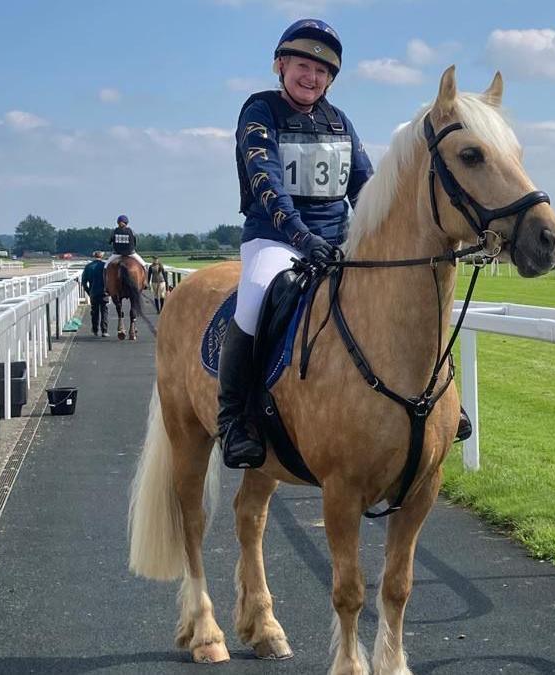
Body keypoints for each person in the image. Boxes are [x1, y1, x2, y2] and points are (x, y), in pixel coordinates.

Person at [217, 18, 374, 469]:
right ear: (280, 65)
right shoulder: (259, 112)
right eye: (303, 64)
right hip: (275, 238)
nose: (312, 76)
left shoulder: (339, 122)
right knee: (256, 296)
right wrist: (305, 238)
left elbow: (366, 188)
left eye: (322, 71)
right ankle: (235, 420)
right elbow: (267, 182)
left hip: (336, 242)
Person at [80, 251, 109, 337]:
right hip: (104, 292)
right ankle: (104, 330)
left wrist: (89, 291)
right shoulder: (105, 266)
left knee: (94, 311)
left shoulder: (88, 267)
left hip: (93, 292)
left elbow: (84, 282)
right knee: (104, 311)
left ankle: (95, 329)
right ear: (101, 256)